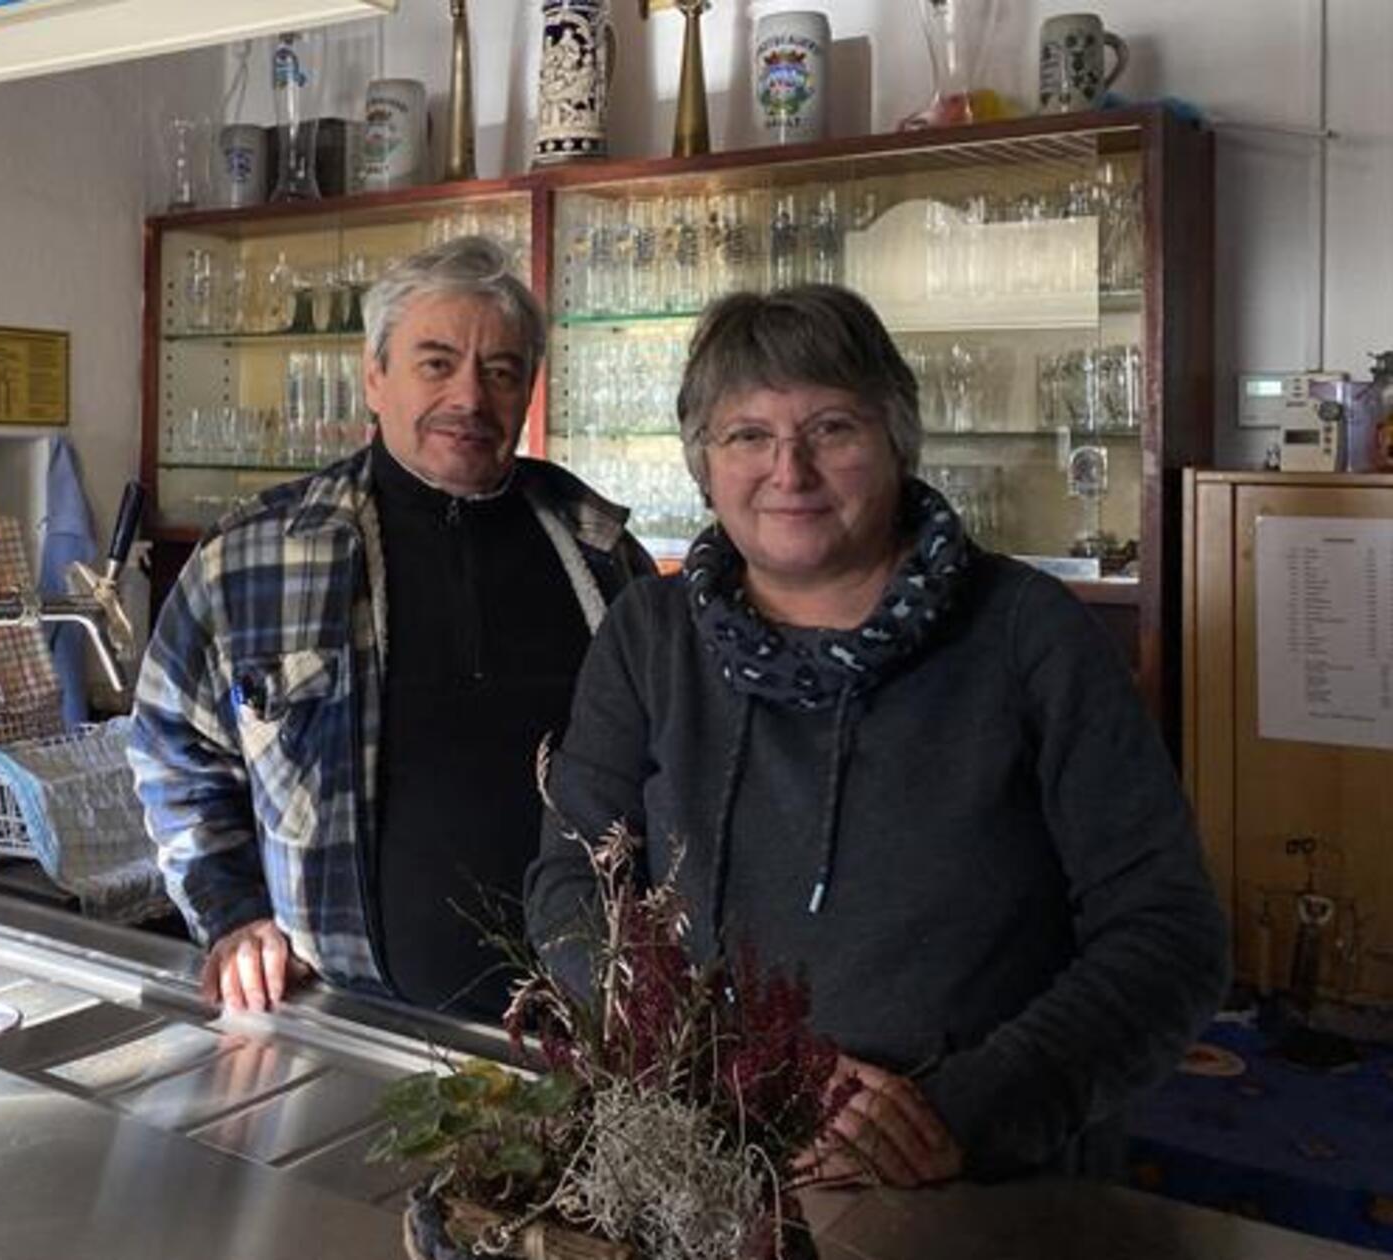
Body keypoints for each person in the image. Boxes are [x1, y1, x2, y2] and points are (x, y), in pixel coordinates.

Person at [525, 285, 1228, 1184]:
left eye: (831, 429)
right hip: (703, 1153)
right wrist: (695, 1056)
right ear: (702, 461)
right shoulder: (647, 635)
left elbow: (1169, 935)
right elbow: (569, 882)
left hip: (972, 1183)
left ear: (897, 442)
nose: (789, 471)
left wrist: (957, 1111)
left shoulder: (1027, 634)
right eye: (746, 435)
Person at [130, 236, 653, 1019]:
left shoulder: (600, 553)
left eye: (501, 372)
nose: (470, 399)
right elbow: (174, 752)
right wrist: (231, 912)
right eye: (435, 363)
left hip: (586, 1026)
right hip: (343, 1016)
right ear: (373, 377)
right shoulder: (250, 558)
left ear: (528, 391)